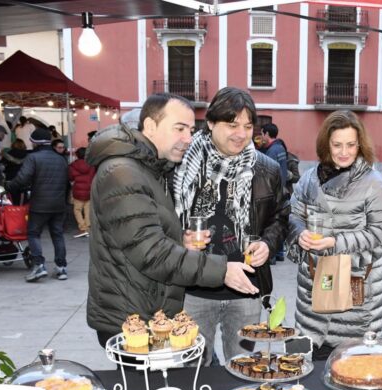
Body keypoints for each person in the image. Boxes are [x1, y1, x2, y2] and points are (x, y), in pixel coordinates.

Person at [85, 93, 234, 349]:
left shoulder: (150, 167)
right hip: (132, 320)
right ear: (150, 126)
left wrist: (179, 241)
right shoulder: (122, 172)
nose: (188, 138)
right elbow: (150, 253)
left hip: (148, 310)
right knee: (147, 389)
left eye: (190, 130)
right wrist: (223, 271)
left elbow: (142, 234)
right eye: (179, 128)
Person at [172, 87, 289, 367]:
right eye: (232, 124)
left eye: (248, 126)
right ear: (210, 123)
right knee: (191, 369)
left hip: (246, 292)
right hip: (192, 291)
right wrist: (180, 237)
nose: (241, 133)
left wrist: (267, 243)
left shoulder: (267, 169)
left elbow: (281, 215)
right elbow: (159, 220)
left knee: (245, 367)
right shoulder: (181, 165)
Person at [286, 110, 382, 361]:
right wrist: (300, 233)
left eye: (350, 145)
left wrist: (336, 243)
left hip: (355, 297)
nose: (344, 152)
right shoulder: (309, 179)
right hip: (312, 291)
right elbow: (293, 214)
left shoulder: (373, 182)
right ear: (326, 144)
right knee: (308, 366)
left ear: (360, 145)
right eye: (337, 145)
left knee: (352, 369)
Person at [6, 127, 70, 282]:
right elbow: (66, 182)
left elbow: (22, 179)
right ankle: (61, 268)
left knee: (33, 233)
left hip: (40, 203)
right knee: (58, 234)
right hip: (59, 204)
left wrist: (8, 185)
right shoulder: (61, 159)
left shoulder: (33, 158)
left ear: (35, 143)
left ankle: (39, 266)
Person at [259, 122, 289, 263]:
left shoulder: (271, 151)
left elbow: (267, 174)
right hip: (281, 189)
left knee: (271, 221)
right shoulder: (281, 148)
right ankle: (280, 253)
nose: (260, 137)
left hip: (272, 191)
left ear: (266, 134)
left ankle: (271, 256)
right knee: (280, 219)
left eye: (262, 133)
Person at [68, 147, 95, 238]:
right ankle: (88, 227)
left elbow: (71, 178)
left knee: (77, 209)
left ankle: (82, 227)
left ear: (77, 155)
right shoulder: (92, 165)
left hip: (78, 191)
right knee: (88, 209)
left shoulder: (73, 165)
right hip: (89, 190)